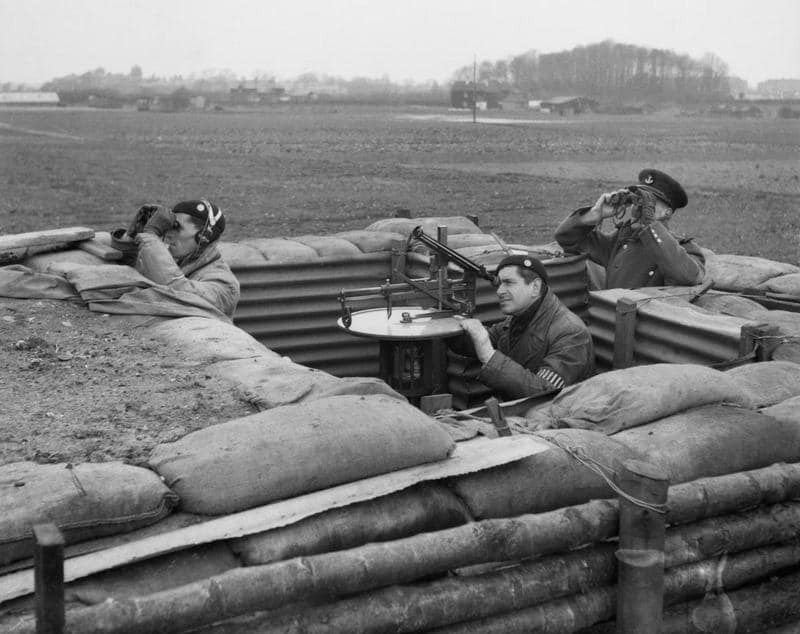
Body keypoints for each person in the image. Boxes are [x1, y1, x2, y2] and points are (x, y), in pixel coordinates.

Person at [454, 254, 595, 401]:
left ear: (535, 287)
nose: (499, 291)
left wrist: (489, 356)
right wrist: (448, 324)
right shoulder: (518, 319)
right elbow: (472, 344)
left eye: (508, 283)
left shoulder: (570, 333)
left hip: (560, 419)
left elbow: (546, 393)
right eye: (499, 284)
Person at [554, 168, 706, 289]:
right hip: (610, 321)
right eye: (637, 199)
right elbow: (566, 238)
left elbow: (689, 276)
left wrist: (650, 225)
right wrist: (593, 215)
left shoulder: (685, 248)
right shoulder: (619, 242)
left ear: (667, 212)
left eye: (650, 202)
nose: (638, 206)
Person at [125, 199, 240, 318]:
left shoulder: (225, 284)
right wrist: (133, 237)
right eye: (168, 226)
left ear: (204, 235)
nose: (168, 234)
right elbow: (128, 270)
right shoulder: (172, 261)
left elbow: (178, 292)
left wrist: (150, 236)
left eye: (177, 227)